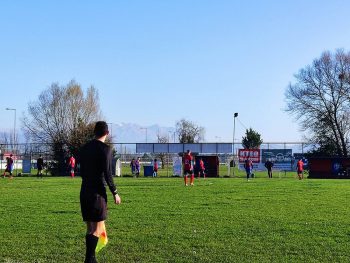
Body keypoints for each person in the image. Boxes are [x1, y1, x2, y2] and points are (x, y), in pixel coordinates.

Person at [79, 121, 121, 263]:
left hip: (84, 190)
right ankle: (89, 260)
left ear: (94, 132)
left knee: (90, 228)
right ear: (107, 133)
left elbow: (82, 171)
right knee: (97, 229)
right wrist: (115, 192)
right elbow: (108, 173)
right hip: (97, 192)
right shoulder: (106, 149)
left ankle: (92, 258)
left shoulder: (84, 148)